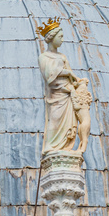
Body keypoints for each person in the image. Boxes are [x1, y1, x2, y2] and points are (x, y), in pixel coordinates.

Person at [37, 19, 91, 154]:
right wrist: (68, 73)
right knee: (54, 120)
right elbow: (49, 76)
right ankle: (50, 146)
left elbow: (71, 76)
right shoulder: (44, 57)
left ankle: (62, 146)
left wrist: (78, 81)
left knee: (67, 125)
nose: (62, 40)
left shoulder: (62, 56)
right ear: (51, 38)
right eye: (60, 37)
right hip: (56, 94)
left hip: (68, 95)